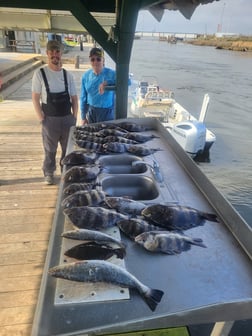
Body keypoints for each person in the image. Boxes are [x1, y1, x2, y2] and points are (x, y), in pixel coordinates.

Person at [32, 40, 78, 185]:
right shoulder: (40, 74)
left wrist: (74, 118)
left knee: (67, 149)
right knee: (49, 149)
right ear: (47, 53)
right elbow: (35, 98)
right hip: (49, 119)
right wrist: (41, 118)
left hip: (67, 118)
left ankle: (65, 170)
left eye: (57, 51)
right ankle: (49, 172)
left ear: (61, 53)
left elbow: (75, 99)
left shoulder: (68, 75)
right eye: (51, 51)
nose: (54, 55)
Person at [80, 47, 116, 125]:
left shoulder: (112, 73)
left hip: (107, 113)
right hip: (91, 112)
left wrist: (107, 83)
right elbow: (83, 97)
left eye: (98, 59)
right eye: (92, 59)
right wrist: (83, 117)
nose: (95, 62)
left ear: (103, 60)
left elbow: (127, 81)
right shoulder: (86, 76)